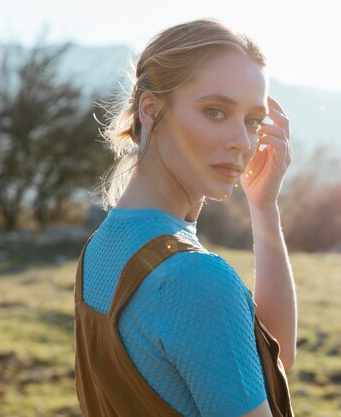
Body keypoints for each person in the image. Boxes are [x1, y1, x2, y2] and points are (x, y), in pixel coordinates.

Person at [74, 18, 296, 417]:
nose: (242, 142)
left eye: (253, 121)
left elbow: (266, 361)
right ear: (151, 109)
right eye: (215, 111)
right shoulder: (195, 280)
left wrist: (263, 209)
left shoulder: (102, 248)